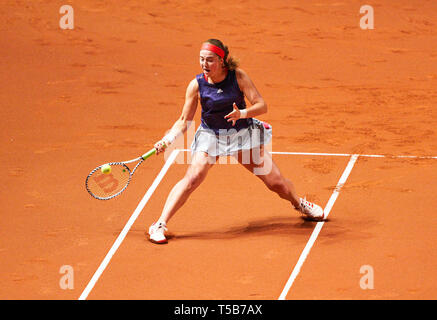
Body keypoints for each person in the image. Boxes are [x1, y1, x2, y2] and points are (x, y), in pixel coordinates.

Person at [148, 39, 324, 244]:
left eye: (210, 60)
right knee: (193, 178)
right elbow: (183, 120)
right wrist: (167, 139)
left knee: (277, 184)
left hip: (242, 135)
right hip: (211, 136)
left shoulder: (238, 77)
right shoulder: (196, 85)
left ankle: (298, 203)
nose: (205, 64)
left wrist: (242, 113)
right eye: (201, 59)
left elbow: (261, 105)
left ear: (222, 61)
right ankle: (160, 224)